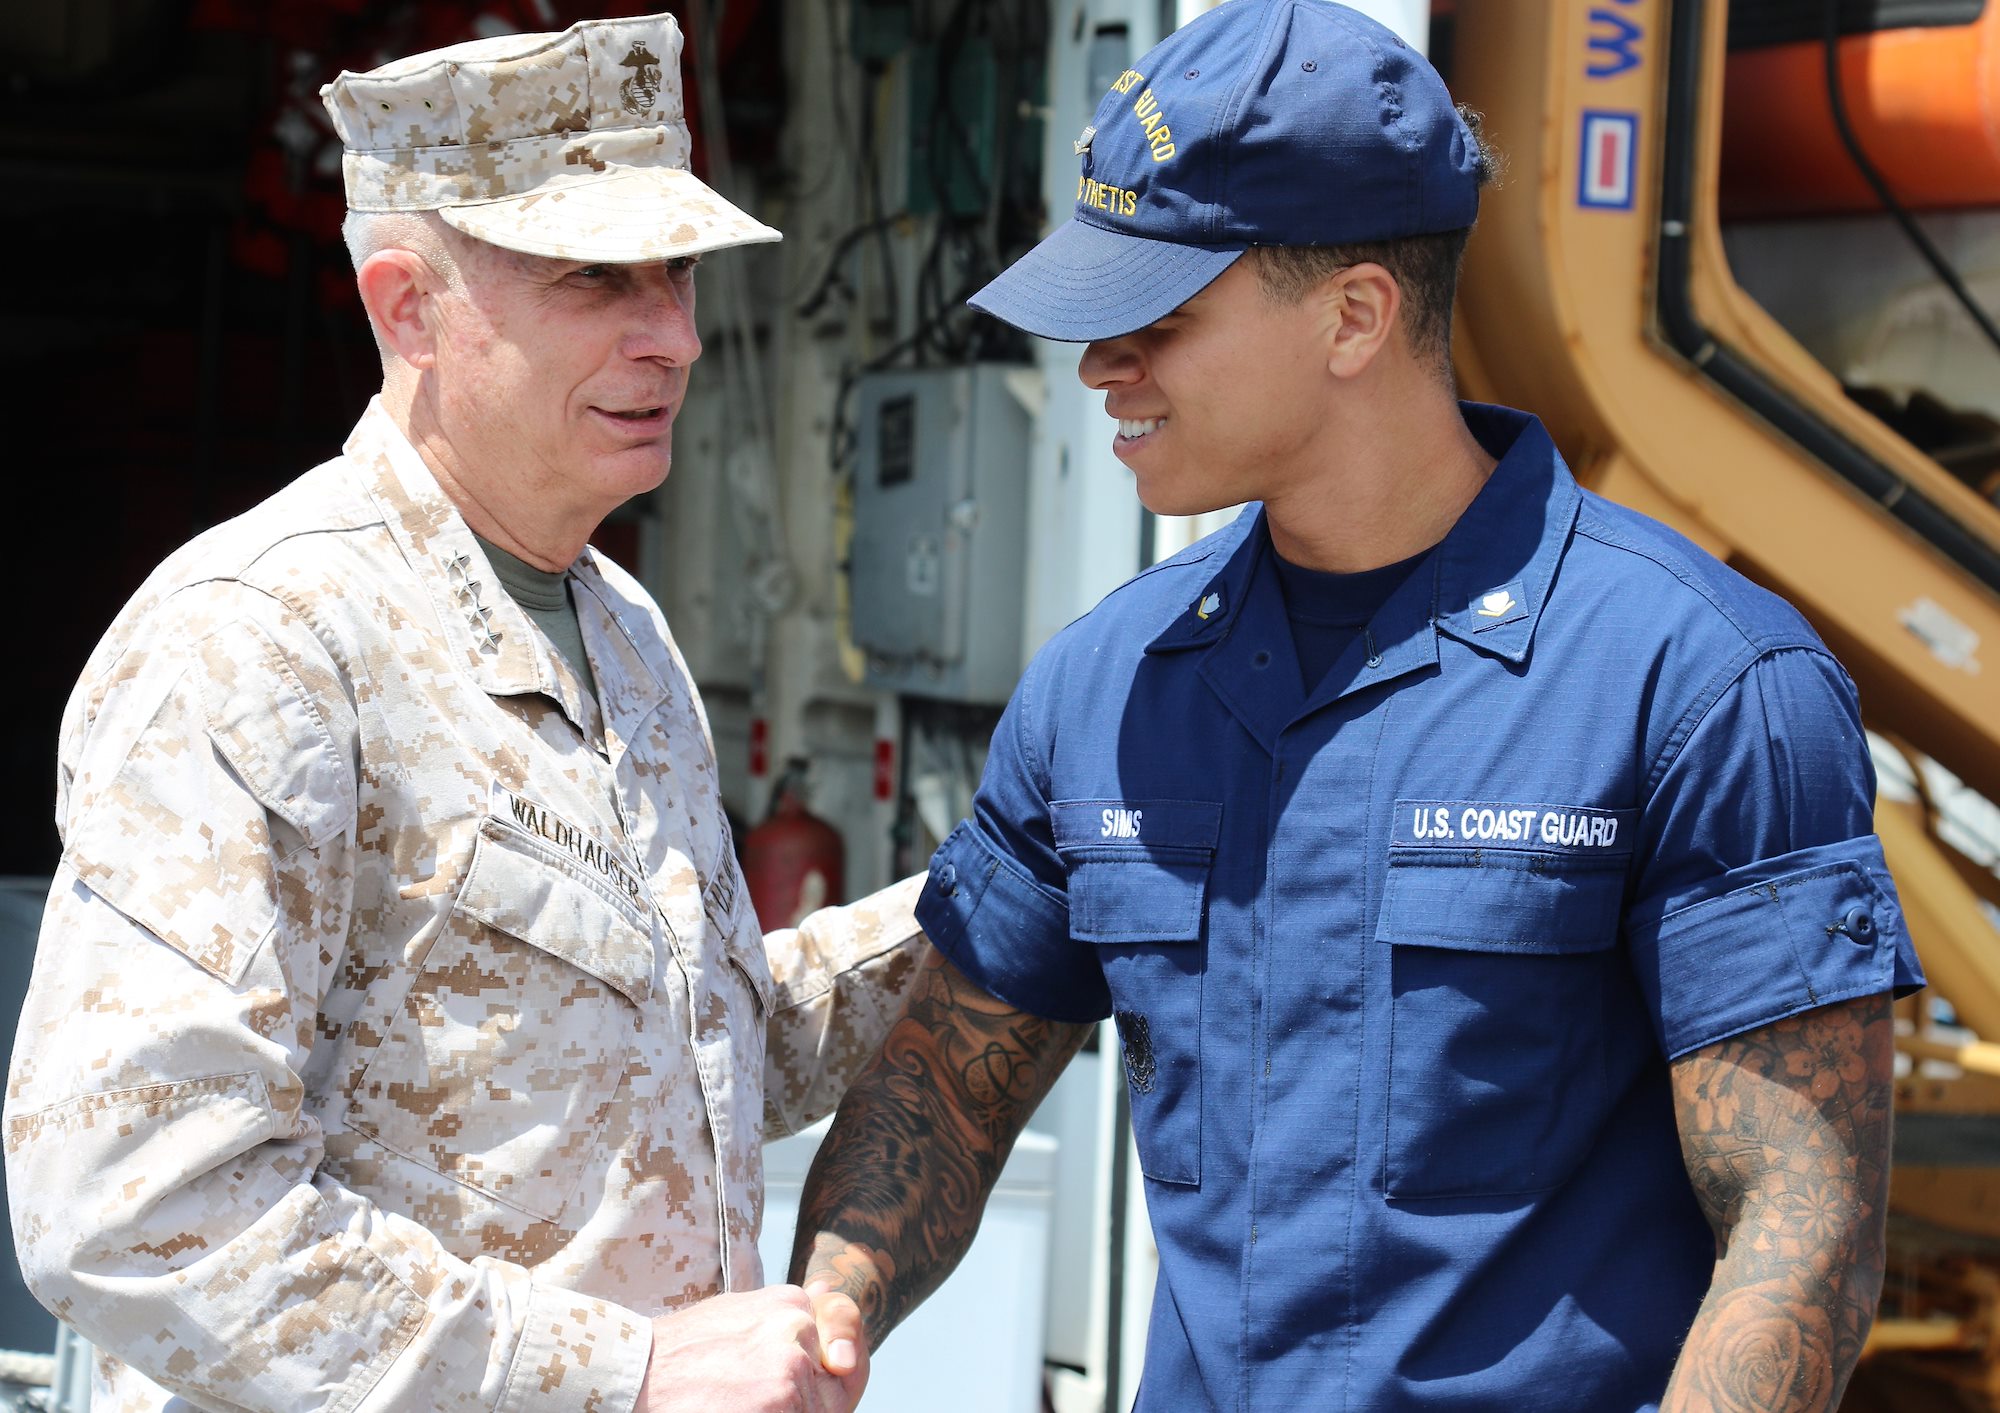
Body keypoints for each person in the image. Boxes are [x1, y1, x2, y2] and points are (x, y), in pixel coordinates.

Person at [790, 1, 1926, 1408]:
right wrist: (831, 1311)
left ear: (1353, 317)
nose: (1099, 367)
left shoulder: (1695, 685)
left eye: (1157, 319)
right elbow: (948, 1081)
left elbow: (1800, 1226)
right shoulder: (1108, 686)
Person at [4, 14, 927, 1413]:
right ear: (408, 306)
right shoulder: (266, 642)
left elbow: (715, 1049)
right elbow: (132, 1201)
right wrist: (625, 1369)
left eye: (676, 273)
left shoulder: (627, 633)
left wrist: (1001, 898)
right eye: (596, 278)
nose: (672, 335)